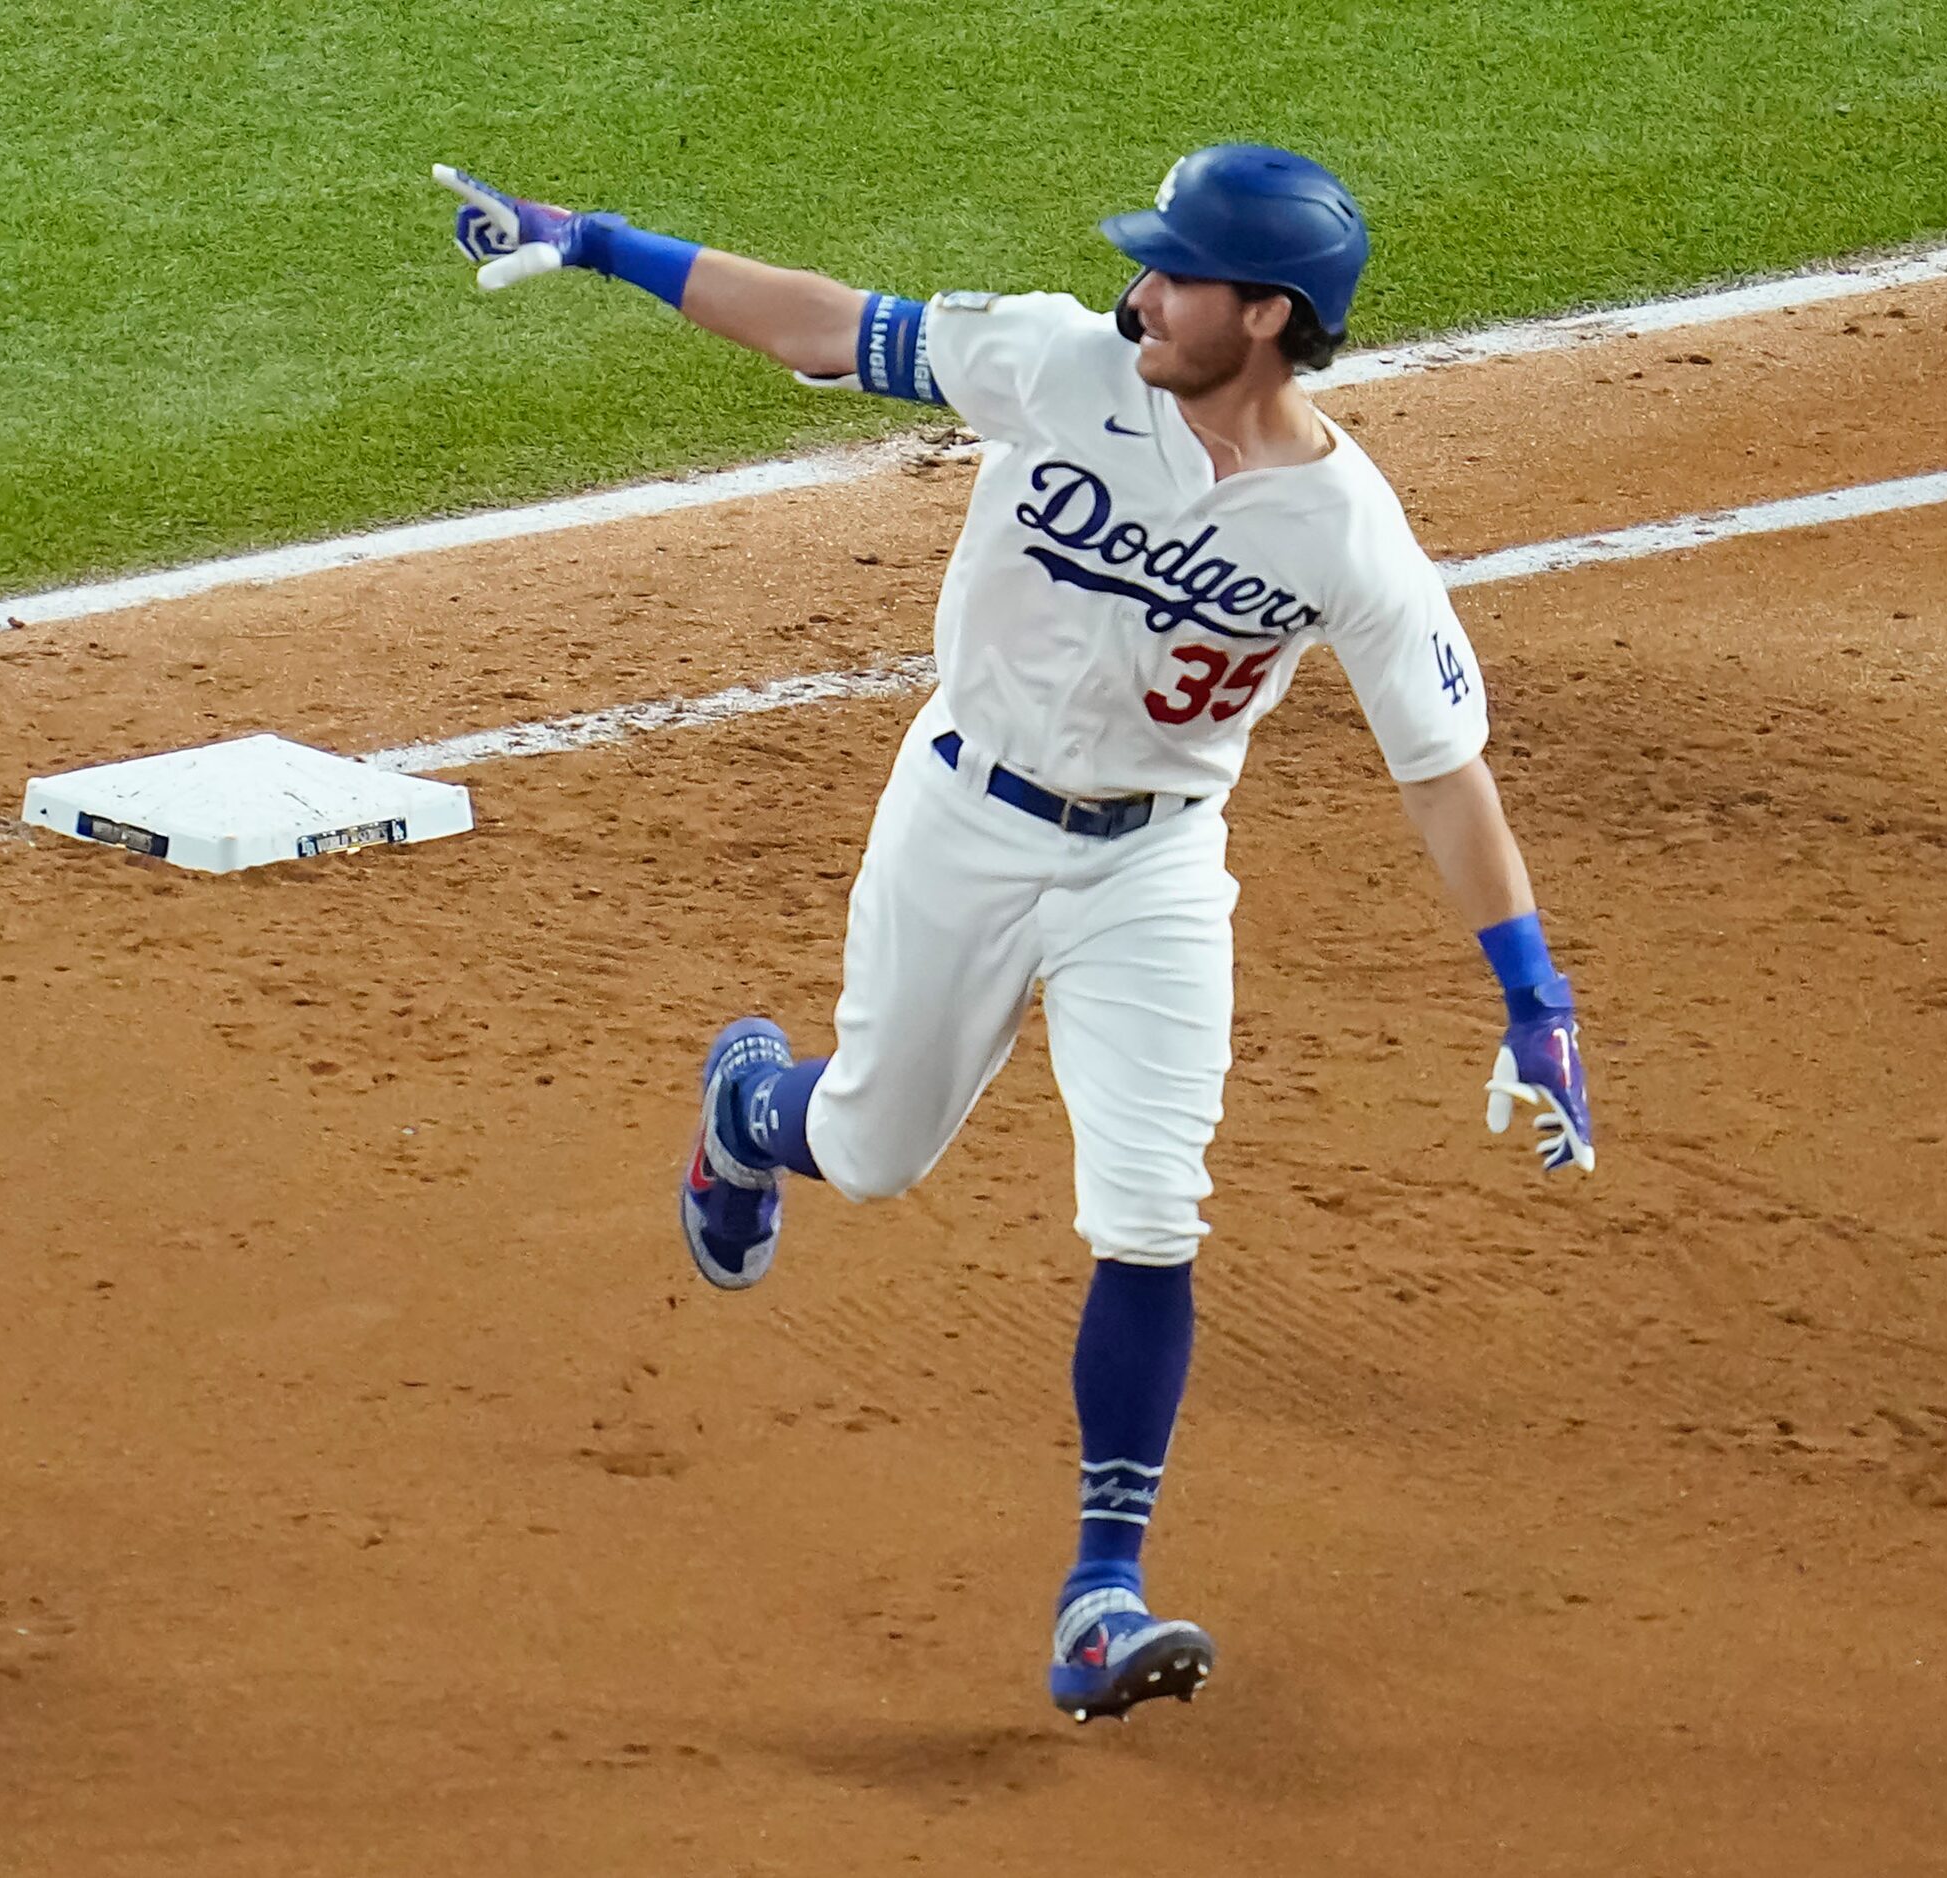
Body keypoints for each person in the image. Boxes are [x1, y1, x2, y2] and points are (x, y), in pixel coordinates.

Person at [436, 144, 1595, 1724]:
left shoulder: (1346, 535)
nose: (1138, 292)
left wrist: (1533, 996)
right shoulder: (1062, 365)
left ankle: (1098, 1593)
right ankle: (747, 1110)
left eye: (1174, 274)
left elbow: (1441, 769)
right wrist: (598, 243)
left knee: (1151, 1207)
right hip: (961, 823)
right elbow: (827, 329)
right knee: (874, 1147)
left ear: (1264, 316)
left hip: (1156, 872)